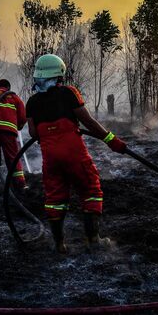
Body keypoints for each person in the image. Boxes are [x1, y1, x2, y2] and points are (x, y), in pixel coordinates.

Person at [25, 54, 126, 254]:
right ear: (59, 74)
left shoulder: (32, 102)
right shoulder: (69, 93)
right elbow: (88, 122)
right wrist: (111, 141)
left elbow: (33, 133)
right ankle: (93, 239)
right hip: (74, 153)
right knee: (90, 190)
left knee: (54, 197)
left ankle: (59, 244)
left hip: (50, 158)